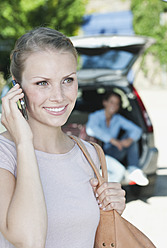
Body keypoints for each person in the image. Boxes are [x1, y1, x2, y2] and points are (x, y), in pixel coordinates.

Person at [0, 27, 126, 248]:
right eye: (42, 83)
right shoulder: (5, 154)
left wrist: (112, 208)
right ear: (17, 88)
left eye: (67, 80)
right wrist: (24, 142)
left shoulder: (90, 154)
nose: (58, 96)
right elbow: (29, 241)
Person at [86, 91, 149, 186]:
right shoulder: (95, 116)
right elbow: (91, 129)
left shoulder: (118, 119)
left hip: (113, 151)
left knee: (131, 135)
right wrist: (113, 140)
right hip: (98, 154)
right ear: (105, 102)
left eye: (117, 104)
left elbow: (137, 130)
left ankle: (134, 169)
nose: (114, 106)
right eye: (111, 102)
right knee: (119, 170)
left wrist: (128, 140)